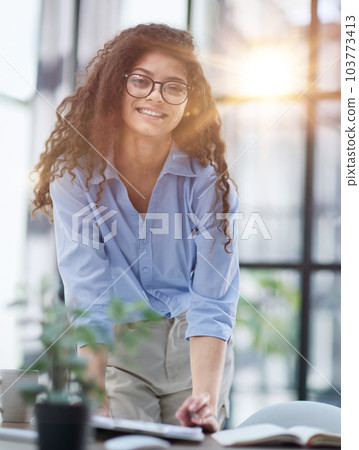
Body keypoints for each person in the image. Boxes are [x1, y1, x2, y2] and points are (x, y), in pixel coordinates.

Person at [32, 23, 239, 433]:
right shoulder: (76, 180)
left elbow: (213, 300)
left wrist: (206, 401)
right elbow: (88, 292)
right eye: (141, 81)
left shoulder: (210, 184)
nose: (155, 97)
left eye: (173, 87)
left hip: (194, 346)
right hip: (120, 351)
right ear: (116, 86)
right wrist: (95, 395)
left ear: (189, 101)